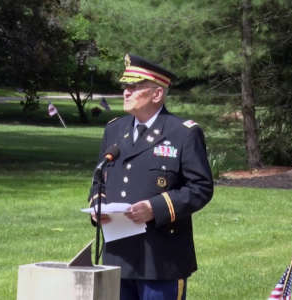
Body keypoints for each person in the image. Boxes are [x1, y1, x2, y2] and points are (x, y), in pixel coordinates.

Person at [88, 54, 214, 300]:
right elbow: (99, 178)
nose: (126, 92)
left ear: (157, 94)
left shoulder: (182, 133)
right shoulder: (115, 129)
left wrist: (155, 208)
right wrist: (97, 206)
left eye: (134, 87)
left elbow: (200, 187)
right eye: (125, 87)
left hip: (161, 258)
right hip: (118, 256)